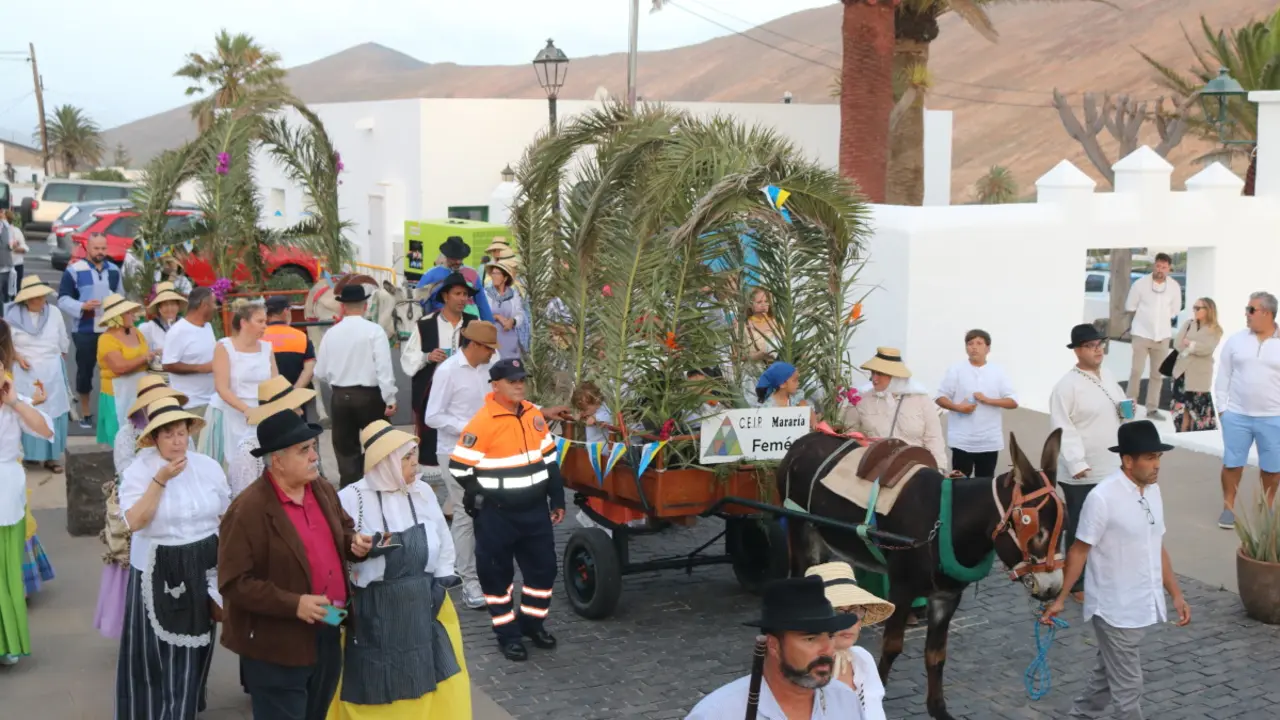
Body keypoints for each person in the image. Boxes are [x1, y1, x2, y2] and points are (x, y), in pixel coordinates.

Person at [218, 409, 371, 720]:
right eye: (305, 450)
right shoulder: (248, 510)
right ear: (278, 460)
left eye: (314, 446)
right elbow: (234, 582)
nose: (315, 456)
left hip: (329, 622)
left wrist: (353, 543)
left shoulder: (322, 489)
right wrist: (294, 604)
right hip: (276, 643)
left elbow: (342, 529)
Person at [1041, 420, 1191, 720]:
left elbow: (1156, 544)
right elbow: (1079, 550)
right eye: (1150, 457)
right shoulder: (1102, 498)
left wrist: (1175, 593)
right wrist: (1060, 599)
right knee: (1129, 685)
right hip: (1113, 607)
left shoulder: (1152, 491)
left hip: (1141, 602)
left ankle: (1080, 715)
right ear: (1127, 460)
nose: (1156, 464)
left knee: (1107, 675)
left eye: (1158, 457)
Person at [330, 420, 469, 717]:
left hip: (426, 604)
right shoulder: (351, 498)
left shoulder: (422, 493)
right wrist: (362, 551)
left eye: (414, 456)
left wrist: (442, 580)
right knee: (376, 689)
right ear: (385, 462)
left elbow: (443, 540)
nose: (415, 465)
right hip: (375, 613)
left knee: (436, 679)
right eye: (407, 458)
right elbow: (335, 556)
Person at [115, 396, 229, 717]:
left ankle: (185, 708)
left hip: (203, 562)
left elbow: (224, 514)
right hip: (158, 566)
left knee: (198, 643)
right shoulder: (140, 471)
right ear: (154, 439)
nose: (178, 441)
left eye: (182, 433)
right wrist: (160, 480)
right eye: (169, 435)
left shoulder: (207, 466)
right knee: (158, 652)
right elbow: (135, 521)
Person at [448, 358, 565, 661]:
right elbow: (459, 467)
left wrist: (558, 499)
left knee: (544, 571)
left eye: (521, 380)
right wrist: (483, 495)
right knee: (496, 578)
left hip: (535, 512)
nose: (518, 385)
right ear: (495, 385)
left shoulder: (534, 415)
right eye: (512, 380)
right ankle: (508, 635)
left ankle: (532, 624)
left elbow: (549, 459)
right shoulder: (482, 422)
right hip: (497, 515)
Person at [686, 576, 864, 719]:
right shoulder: (718, 714)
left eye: (830, 636)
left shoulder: (844, 701)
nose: (827, 650)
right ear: (773, 645)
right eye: (811, 639)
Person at [96, 375, 188, 641]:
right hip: (139, 500)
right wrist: (156, 477)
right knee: (134, 564)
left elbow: (189, 457)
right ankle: (136, 625)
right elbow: (124, 471)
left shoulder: (180, 430)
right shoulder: (128, 433)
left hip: (178, 502)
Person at [1050, 323, 1130, 602]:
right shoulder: (1066, 386)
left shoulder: (1107, 375)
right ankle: (1076, 582)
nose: (1098, 350)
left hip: (1111, 466)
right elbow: (1062, 428)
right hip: (1082, 472)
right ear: (1078, 351)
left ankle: (1103, 573)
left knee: (1107, 525)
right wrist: (1077, 462)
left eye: (1100, 345)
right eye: (1092, 346)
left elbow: (1121, 406)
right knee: (1080, 528)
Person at [422, 320, 500, 610]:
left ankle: (479, 570)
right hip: (455, 453)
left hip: (489, 451)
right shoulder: (447, 371)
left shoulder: (490, 369)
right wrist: (468, 428)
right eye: (489, 349)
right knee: (466, 514)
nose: (493, 354)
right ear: (475, 346)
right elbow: (433, 416)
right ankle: (470, 582)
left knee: (489, 512)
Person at [314, 284, 397, 487]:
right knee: (377, 444)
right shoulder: (374, 331)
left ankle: (351, 492)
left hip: (340, 396)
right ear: (366, 305)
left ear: (342, 307)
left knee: (345, 450)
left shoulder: (331, 334)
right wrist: (390, 397)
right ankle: (378, 486)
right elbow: (383, 369)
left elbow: (320, 372)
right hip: (370, 396)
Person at [0, 366, 54, 666]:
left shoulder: (13, 403)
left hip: (5, 491)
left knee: (6, 571)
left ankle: (7, 642)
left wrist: (16, 402)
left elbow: (45, 430)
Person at [1214, 290, 1280, 530]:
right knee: (1232, 464)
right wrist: (1223, 410)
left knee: (1273, 468)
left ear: (1267, 313)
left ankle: (1267, 507)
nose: (1247, 314)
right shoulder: (1236, 340)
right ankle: (1228, 507)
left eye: (1251, 310)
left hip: (1274, 417)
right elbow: (1223, 375)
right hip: (1237, 415)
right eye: (1247, 309)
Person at [403, 271, 476, 473]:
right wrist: (428, 357)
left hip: (465, 393)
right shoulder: (425, 324)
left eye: (465, 295)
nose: (463, 299)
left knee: (466, 438)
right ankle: (431, 487)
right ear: (445, 296)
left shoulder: (473, 323)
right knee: (431, 443)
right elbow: (408, 358)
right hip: (433, 393)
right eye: (458, 294)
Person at [805, 562, 894, 720]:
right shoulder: (801, 670)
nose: (849, 622)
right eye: (838, 611)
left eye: (855, 611)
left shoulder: (861, 659)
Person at [841, 348, 947, 470]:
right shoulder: (861, 399)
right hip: (874, 467)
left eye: (879, 373)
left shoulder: (921, 399)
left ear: (895, 376)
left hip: (913, 468)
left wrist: (938, 469)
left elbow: (934, 439)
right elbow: (850, 433)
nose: (874, 378)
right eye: (872, 373)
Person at [57, 231, 122, 429]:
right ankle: (86, 411)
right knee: (85, 371)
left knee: (112, 370)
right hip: (84, 329)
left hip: (110, 329)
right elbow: (62, 299)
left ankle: (111, 411)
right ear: (87, 248)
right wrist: (82, 306)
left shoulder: (113, 270)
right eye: (97, 248)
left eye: (104, 248)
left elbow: (120, 297)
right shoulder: (75, 270)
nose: (101, 252)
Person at [200, 300, 276, 467]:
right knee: (231, 464)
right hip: (230, 413)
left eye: (265, 321)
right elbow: (221, 388)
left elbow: (275, 383)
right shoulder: (224, 346)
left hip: (260, 414)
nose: (265, 326)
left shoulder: (267, 348)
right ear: (243, 322)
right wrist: (247, 410)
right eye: (260, 321)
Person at [7, 275, 70, 473]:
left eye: (42, 297)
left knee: (54, 411)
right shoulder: (11, 318)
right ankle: (30, 456)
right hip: (26, 372)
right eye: (35, 298)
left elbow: (62, 341)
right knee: (29, 410)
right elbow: (6, 345)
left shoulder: (54, 313)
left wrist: (59, 356)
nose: (40, 302)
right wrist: (17, 357)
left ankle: (52, 457)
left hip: (51, 369)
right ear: (25, 300)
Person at [935, 329, 1018, 478]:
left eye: (979, 343)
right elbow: (940, 397)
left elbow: (1013, 401)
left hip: (989, 440)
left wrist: (988, 400)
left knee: (985, 486)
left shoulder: (998, 371)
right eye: (970, 343)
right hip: (962, 440)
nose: (974, 347)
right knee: (960, 485)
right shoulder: (956, 370)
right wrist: (957, 407)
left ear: (988, 348)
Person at [226, 376, 315, 498]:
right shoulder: (248, 452)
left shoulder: (295, 438)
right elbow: (243, 499)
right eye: (296, 408)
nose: (301, 412)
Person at [1124, 253, 1182, 421]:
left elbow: (1175, 310)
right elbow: (1130, 305)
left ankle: (1152, 409)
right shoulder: (1140, 284)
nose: (1160, 270)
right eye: (1157, 266)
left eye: (1164, 267)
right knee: (1136, 372)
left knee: (1157, 375)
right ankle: (1128, 409)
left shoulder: (1174, 287)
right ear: (1153, 266)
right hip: (1141, 334)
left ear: (1169, 269)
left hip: (1162, 337)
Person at [95, 294, 153, 445]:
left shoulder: (136, 332)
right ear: (117, 317)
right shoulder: (106, 339)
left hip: (138, 391)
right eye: (128, 313)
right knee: (120, 435)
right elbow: (119, 367)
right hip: (117, 393)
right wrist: (144, 358)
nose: (132, 315)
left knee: (141, 434)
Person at [162, 286, 218, 417]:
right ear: (204, 305)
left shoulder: (208, 326)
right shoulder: (178, 331)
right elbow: (168, 364)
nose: (215, 307)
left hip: (212, 400)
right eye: (213, 303)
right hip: (191, 404)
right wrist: (200, 368)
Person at [1170, 297, 1222, 434]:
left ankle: (1195, 439)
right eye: (1194, 307)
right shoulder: (1188, 324)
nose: (1195, 311)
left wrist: (1190, 345)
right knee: (1180, 410)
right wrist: (1193, 347)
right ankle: (1181, 436)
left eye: (1198, 308)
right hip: (1181, 372)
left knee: (1198, 412)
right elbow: (1177, 344)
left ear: (1208, 310)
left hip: (1199, 377)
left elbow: (1207, 349)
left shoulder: (1215, 330)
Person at [414, 235, 494, 320]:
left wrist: (490, 326)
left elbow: (482, 303)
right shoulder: (430, 275)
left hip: (469, 324)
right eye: (454, 259)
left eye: (460, 258)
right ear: (446, 256)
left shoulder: (472, 274)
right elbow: (417, 302)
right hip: (440, 324)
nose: (458, 262)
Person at [263, 295, 316, 419]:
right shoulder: (301, 337)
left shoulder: (258, 338)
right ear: (286, 311)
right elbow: (309, 370)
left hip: (266, 401)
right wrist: (292, 395)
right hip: (296, 402)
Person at [138, 282, 187, 374]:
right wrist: (152, 353)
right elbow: (141, 354)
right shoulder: (148, 328)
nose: (169, 308)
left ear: (178, 306)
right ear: (159, 308)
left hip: (183, 376)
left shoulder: (186, 326)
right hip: (158, 377)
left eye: (173, 304)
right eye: (165, 305)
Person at [484, 257, 527, 359]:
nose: (493, 276)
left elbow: (520, 313)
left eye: (497, 273)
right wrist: (496, 316)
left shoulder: (513, 294)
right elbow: (481, 314)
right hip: (491, 338)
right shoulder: (486, 293)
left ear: (505, 278)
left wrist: (513, 321)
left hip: (509, 339)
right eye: (493, 273)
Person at [745, 288, 779, 364]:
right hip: (758, 370)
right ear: (750, 304)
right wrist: (762, 354)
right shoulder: (745, 326)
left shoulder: (777, 322)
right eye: (759, 302)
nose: (763, 305)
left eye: (766, 301)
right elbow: (740, 357)